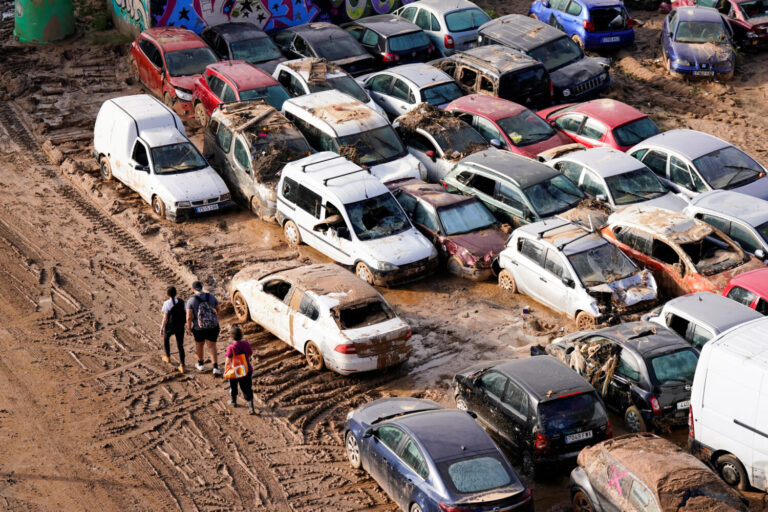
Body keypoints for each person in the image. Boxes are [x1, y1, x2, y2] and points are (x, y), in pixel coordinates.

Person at [185, 280, 222, 375]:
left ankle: (200, 364)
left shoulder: (191, 300)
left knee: (199, 344)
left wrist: (189, 328)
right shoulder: (211, 296)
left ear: (193, 289)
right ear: (202, 287)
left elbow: (189, 317)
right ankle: (215, 368)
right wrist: (213, 318)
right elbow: (218, 309)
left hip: (199, 328)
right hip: (213, 326)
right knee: (212, 346)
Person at [225, 325, 255, 414]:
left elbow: (227, 361)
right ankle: (251, 406)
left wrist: (226, 370)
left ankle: (233, 401)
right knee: (247, 388)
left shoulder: (231, 348)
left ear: (231, 336)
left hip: (234, 371)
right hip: (246, 370)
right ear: (241, 335)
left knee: (233, 386)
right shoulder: (246, 344)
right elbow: (250, 353)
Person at [160, 286, 186, 373]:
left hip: (170, 326)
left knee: (166, 339)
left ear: (167, 294)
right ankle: (182, 365)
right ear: (176, 293)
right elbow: (185, 312)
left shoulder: (166, 303)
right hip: (180, 326)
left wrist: (161, 328)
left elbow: (165, 318)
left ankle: (167, 356)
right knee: (180, 345)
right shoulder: (181, 302)